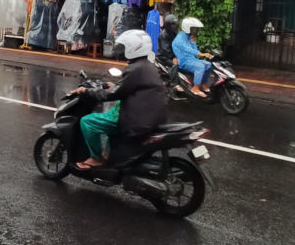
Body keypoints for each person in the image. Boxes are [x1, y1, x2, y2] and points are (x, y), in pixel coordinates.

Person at [70, 30, 167, 170]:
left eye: (125, 47)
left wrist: (87, 91)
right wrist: (113, 86)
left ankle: (96, 158)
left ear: (135, 48)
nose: (122, 51)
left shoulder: (135, 69)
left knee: (88, 122)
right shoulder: (148, 66)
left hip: (136, 119)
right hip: (151, 116)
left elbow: (111, 95)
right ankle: (109, 154)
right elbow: (129, 88)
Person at [172, 17, 214, 98]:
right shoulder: (180, 38)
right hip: (184, 62)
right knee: (200, 67)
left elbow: (194, 50)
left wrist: (193, 42)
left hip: (192, 59)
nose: (196, 31)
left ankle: (202, 84)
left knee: (208, 64)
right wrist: (203, 54)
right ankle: (195, 88)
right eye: (194, 29)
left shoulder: (188, 37)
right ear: (188, 28)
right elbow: (188, 50)